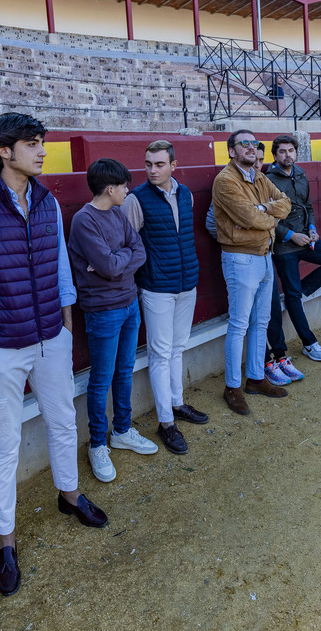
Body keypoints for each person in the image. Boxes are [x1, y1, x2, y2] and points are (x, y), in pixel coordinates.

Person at [0, 113, 107, 597]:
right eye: (32, 144)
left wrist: (66, 325)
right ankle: (6, 540)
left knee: (62, 419)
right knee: (5, 442)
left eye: (42, 143)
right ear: (3, 151)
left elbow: (60, 265)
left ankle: (70, 494)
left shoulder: (48, 201)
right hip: (1, 347)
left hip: (49, 338)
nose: (41, 151)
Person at [69, 158, 156, 482]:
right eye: (123, 186)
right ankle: (97, 444)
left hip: (129, 303)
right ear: (110, 188)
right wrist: (114, 263)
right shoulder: (84, 220)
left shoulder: (118, 213)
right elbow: (107, 265)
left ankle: (122, 430)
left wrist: (114, 263)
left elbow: (138, 250)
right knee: (101, 378)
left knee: (123, 372)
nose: (127, 190)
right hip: (103, 310)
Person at [122, 141, 209, 456]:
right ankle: (166, 422)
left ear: (173, 164)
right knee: (159, 354)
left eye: (159, 164)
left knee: (177, 347)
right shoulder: (136, 199)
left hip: (187, 282)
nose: (152, 170)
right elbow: (126, 242)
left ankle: (176, 402)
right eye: (148, 164)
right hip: (156, 286)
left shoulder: (185, 194)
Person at [211, 129, 292, 414]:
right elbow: (249, 217)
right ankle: (232, 386)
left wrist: (265, 210)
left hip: (264, 256)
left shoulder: (258, 176)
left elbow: (286, 203)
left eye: (254, 143)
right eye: (243, 143)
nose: (250, 147)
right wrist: (267, 217)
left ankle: (256, 378)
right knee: (239, 324)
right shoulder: (225, 181)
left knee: (260, 321)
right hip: (240, 259)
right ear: (231, 151)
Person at [264, 134, 321, 375]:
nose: (287, 155)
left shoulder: (300, 174)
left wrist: (311, 228)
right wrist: (292, 235)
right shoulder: (267, 179)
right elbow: (268, 219)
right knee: (291, 295)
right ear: (275, 155)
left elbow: (308, 206)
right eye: (282, 151)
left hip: (306, 239)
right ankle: (309, 343)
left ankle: (298, 292)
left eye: (291, 150)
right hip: (284, 246)